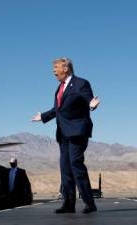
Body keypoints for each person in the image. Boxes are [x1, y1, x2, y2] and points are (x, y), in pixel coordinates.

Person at [32, 57, 100, 214]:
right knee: (65, 168)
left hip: (77, 131)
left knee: (75, 164)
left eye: (56, 67)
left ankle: (90, 203)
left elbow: (89, 99)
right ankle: (69, 204)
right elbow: (58, 110)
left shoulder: (81, 83)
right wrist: (42, 116)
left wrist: (92, 105)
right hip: (63, 134)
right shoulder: (59, 88)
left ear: (66, 69)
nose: (53, 70)